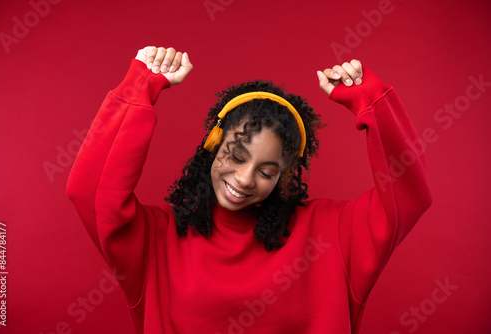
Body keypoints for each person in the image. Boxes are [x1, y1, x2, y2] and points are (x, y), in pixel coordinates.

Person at [66, 46, 432, 334]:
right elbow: (90, 192)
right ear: (212, 143)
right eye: (235, 156)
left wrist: (372, 101)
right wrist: (138, 88)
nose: (243, 179)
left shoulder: (332, 234)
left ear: (285, 177)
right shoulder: (156, 240)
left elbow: (408, 195)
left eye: (267, 171)